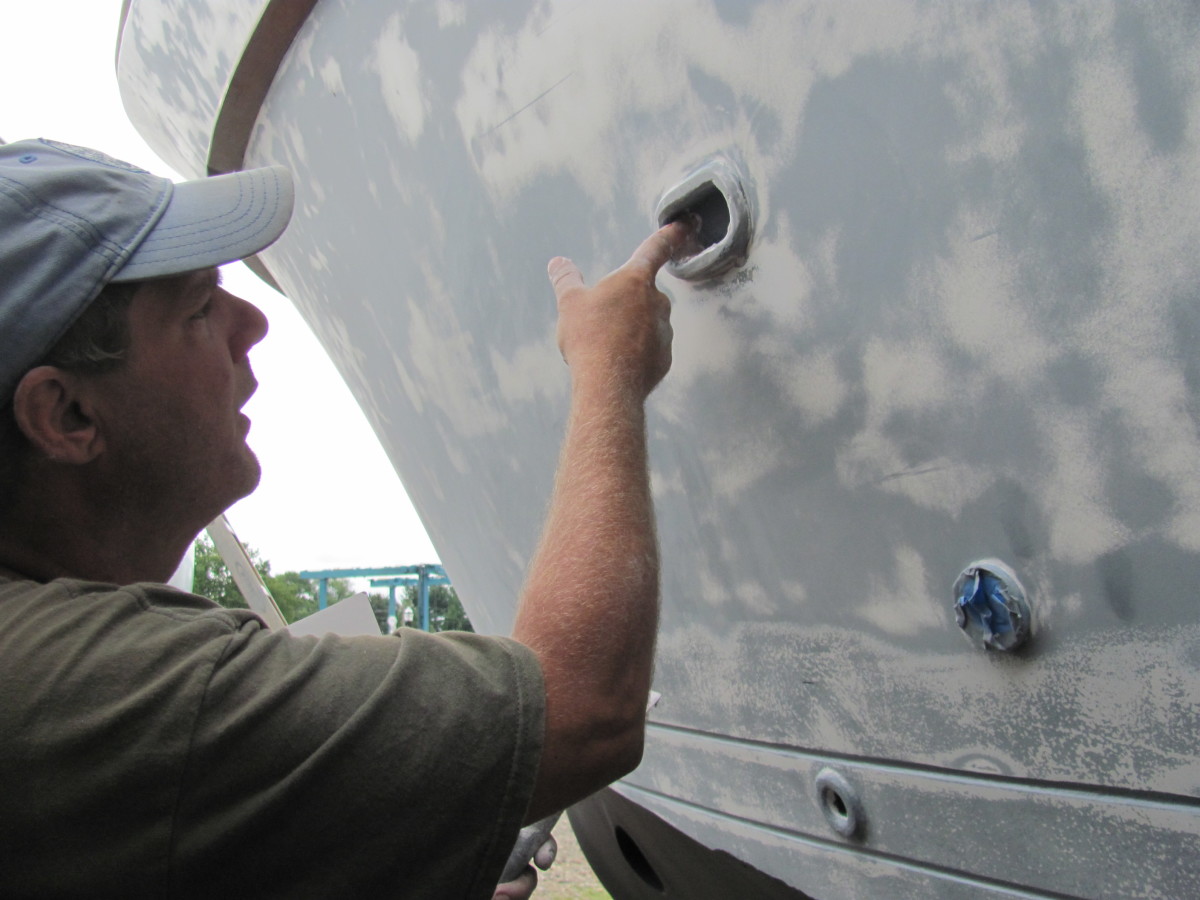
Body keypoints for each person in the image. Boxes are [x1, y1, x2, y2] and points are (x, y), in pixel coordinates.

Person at [0, 138, 688, 899]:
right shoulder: (104, 690)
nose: (251, 322)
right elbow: (579, 710)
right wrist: (609, 372)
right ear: (63, 413)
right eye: (198, 308)